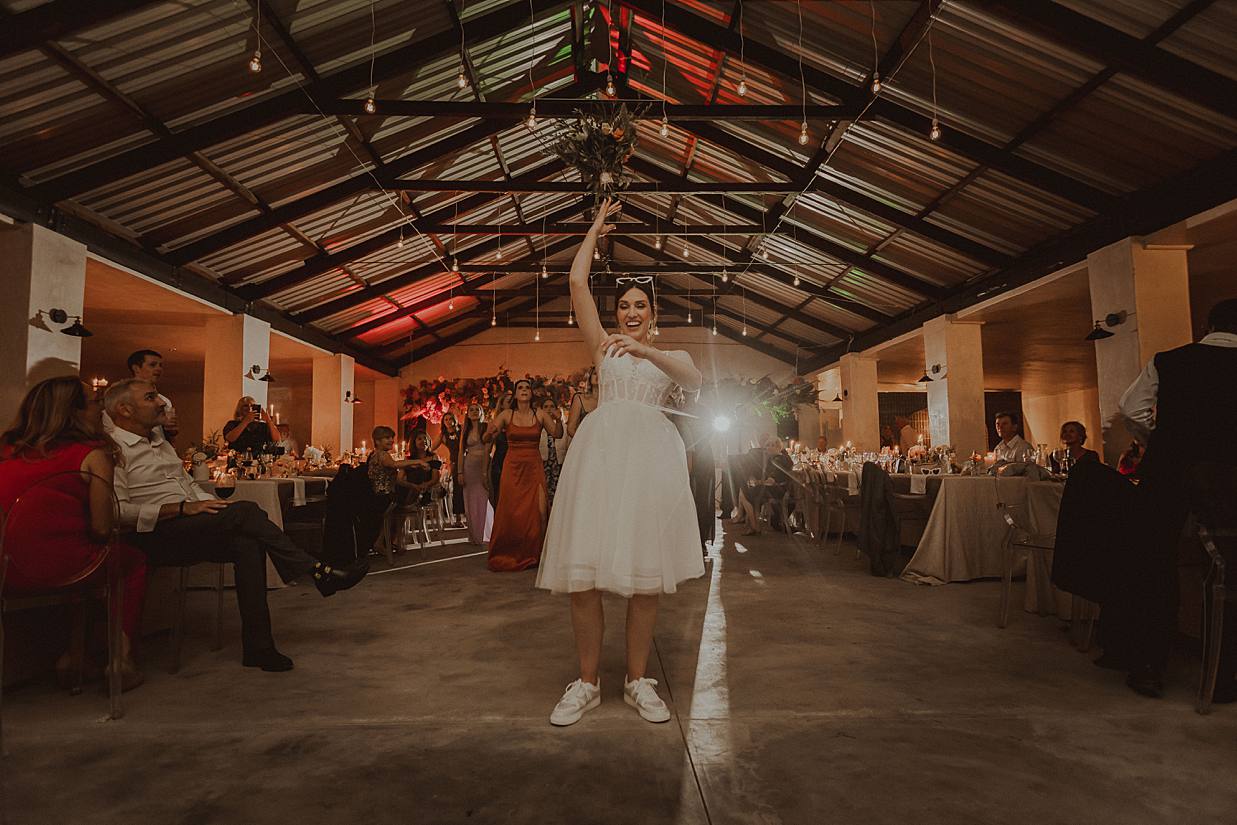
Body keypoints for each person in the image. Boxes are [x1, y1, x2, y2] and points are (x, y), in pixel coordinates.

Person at [537, 198, 704, 727]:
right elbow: (576, 283)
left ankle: (636, 681)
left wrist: (647, 351)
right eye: (625, 306)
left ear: (653, 314)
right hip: (602, 461)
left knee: (645, 578)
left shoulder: (671, 357)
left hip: (650, 464)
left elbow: (694, 380)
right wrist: (594, 228)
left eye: (640, 306)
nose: (631, 313)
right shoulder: (602, 347)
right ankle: (587, 683)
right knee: (584, 575)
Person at [104, 378, 368, 672]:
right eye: (151, 397)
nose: (161, 403)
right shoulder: (112, 449)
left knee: (247, 542)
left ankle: (259, 647)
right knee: (246, 511)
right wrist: (179, 508)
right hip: (153, 533)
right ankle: (315, 570)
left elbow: (189, 487)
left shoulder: (160, 443)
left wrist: (209, 506)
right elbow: (116, 512)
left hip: (189, 525)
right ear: (125, 409)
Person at [1111, 298, 1237, 699]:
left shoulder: (1169, 360)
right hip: (1229, 477)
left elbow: (1131, 408)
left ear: (1207, 327)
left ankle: (1148, 665)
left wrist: (1162, 441)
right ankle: (1225, 676)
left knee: (1153, 562)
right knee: (1229, 566)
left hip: (1168, 472)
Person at [0, 377, 146, 691]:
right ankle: (121, 659)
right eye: (94, 402)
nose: (100, 408)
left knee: (86, 562)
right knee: (128, 561)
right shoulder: (91, 454)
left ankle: (75, 655)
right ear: (74, 412)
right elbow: (101, 528)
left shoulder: (7, 452)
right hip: (65, 568)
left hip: (7, 571)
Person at [484, 379, 561, 572]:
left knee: (540, 511)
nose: (524, 390)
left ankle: (539, 553)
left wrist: (559, 420)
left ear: (531, 393)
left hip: (534, 466)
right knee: (511, 511)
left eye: (527, 388)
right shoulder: (506, 414)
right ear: (515, 394)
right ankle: (512, 552)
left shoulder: (540, 414)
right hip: (512, 467)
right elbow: (486, 438)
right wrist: (490, 433)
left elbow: (557, 434)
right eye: (520, 388)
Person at [460, 403, 494, 546]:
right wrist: (460, 471)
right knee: (470, 500)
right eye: (471, 410)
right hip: (469, 466)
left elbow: (488, 448)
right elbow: (461, 451)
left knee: (484, 498)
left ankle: (486, 533)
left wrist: (485, 471)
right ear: (467, 414)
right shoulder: (465, 430)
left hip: (484, 464)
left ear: (481, 413)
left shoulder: (486, 427)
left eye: (477, 410)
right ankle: (475, 534)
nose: (474, 412)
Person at [430, 412, 464, 527]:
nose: (448, 421)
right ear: (443, 422)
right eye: (446, 420)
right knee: (458, 489)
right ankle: (458, 518)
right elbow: (431, 448)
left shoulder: (462, 430)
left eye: (450, 419)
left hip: (467, 459)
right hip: (455, 463)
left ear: (455, 420)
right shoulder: (443, 435)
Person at [538, 396, 564, 507]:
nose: (549, 409)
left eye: (552, 406)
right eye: (546, 407)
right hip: (543, 464)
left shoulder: (563, 427)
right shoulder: (537, 428)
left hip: (558, 465)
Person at [488, 392, 511, 508]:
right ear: (501, 405)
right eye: (509, 402)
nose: (512, 404)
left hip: (515, 461)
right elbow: (488, 446)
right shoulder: (496, 423)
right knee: (501, 498)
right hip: (500, 463)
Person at [565, 368, 599, 441]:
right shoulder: (579, 398)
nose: (598, 376)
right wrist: (583, 442)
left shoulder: (609, 401)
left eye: (601, 373)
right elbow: (570, 429)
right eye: (595, 373)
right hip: (584, 441)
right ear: (590, 377)